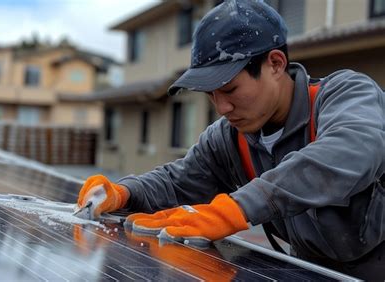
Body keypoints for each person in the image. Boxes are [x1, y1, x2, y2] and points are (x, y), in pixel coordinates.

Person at [76, 0, 384, 279]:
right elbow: (178, 182)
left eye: (230, 89)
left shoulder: (346, 95)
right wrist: (124, 192)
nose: (222, 107)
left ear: (275, 64)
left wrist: (236, 209)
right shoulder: (229, 138)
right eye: (211, 94)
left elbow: (351, 150)